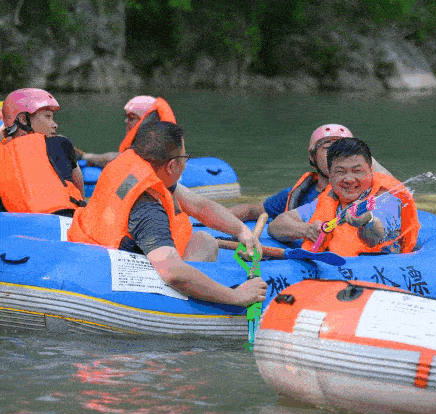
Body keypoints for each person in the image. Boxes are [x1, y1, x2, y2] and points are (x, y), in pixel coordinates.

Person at [68, 119, 266, 307]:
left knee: (203, 239)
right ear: (172, 165)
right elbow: (172, 273)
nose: (185, 163)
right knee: (205, 242)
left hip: (92, 246)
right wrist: (236, 295)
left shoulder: (133, 165)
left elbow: (199, 206)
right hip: (122, 269)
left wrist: (241, 230)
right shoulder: (149, 209)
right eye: (184, 157)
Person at [268, 137, 419, 257]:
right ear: (331, 176)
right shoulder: (328, 200)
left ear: (371, 172)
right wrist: (306, 230)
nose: (349, 179)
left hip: (381, 272)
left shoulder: (386, 199)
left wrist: (366, 221)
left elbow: (374, 236)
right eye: (340, 172)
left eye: (357, 171)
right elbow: (275, 226)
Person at [230, 124, 391, 222]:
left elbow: (396, 194)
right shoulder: (296, 194)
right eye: (328, 148)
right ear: (312, 156)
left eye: (342, 150)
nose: (335, 156)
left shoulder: (368, 193)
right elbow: (252, 211)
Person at [0, 88, 86, 216]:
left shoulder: (3, 151)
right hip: (67, 219)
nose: (55, 124)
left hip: (18, 225)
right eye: (48, 117)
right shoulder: (62, 143)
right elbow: (80, 190)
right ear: (23, 120)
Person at [77, 95, 157, 167]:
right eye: (127, 117)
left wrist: (91, 157)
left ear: (146, 120)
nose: (126, 121)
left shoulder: (153, 144)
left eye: (131, 118)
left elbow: (121, 158)